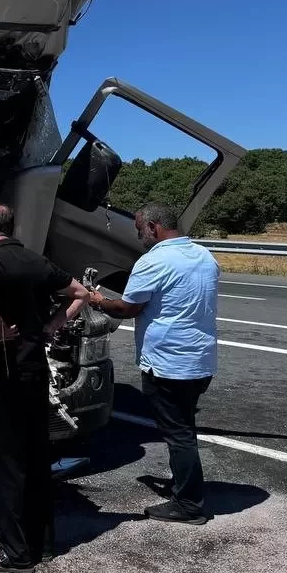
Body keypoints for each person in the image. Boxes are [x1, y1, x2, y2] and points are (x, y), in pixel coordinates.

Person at [0, 203, 91, 573]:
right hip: (35, 373)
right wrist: (51, 326)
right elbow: (81, 293)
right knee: (36, 459)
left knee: (5, 463)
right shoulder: (37, 261)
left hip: (3, 376)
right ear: (12, 227)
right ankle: (43, 544)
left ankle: (15, 551)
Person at [88, 201, 219, 525]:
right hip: (199, 358)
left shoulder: (153, 261)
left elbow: (127, 308)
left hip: (168, 362)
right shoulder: (205, 256)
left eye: (139, 230)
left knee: (179, 434)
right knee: (184, 428)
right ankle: (185, 485)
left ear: (153, 227)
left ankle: (188, 505)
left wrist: (98, 301)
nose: (138, 236)